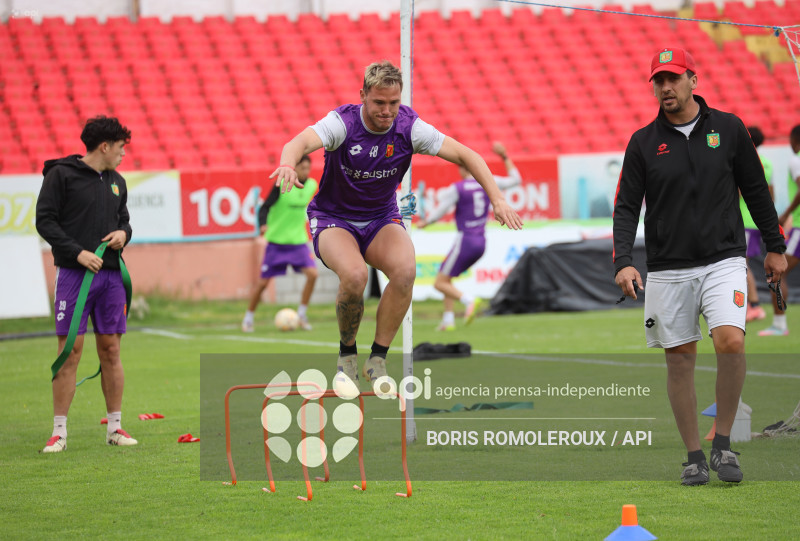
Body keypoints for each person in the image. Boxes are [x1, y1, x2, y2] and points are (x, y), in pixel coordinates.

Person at [269, 60, 523, 386]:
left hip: (380, 217)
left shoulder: (409, 128)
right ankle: (347, 352)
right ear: (363, 95)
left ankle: (377, 357)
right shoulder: (341, 122)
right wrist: (288, 164)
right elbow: (297, 143)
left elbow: (467, 155)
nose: (387, 111)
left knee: (405, 272)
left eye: (394, 102)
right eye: (379, 103)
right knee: (356, 275)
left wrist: (497, 199)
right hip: (334, 218)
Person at [613, 48, 787, 486]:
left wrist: (774, 246)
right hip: (668, 268)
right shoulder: (643, 142)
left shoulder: (728, 130)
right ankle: (694, 456)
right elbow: (626, 207)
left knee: (730, 341)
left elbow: (756, 192)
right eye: (658, 80)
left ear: (694, 79)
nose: (665, 88)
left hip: (724, 259)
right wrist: (623, 261)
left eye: (672, 78)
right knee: (680, 360)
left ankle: (723, 444)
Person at [35, 115, 138, 452]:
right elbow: (45, 222)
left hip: (110, 279)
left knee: (111, 350)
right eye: (121, 148)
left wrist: (125, 233)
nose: (124, 154)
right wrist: (77, 253)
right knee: (70, 353)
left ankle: (116, 428)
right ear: (104, 146)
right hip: (74, 277)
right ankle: (59, 433)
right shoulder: (60, 175)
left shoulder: (117, 181)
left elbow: (124, 221)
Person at [418, 141, 521, 330]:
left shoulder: (458, 188)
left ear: (460, 167)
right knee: (447, 277)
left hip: (465, 240)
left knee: (440, 283)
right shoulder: (490, 181)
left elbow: (441, 209)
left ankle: (469, 301)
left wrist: (427, 222)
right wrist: (505, 157)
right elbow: (516, 180)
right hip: (481, 241)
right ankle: (448, 320)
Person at [242, 155, 318, 332]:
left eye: (308, 168)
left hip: (298, 241)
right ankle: (248, 318)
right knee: (262, 284)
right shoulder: (282, 184)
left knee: (313, 275)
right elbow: (265, 207)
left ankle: (302, 314)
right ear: (294, 168)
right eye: (302, 168)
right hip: (277, 243)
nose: (305, 172)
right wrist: (263, 225)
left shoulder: (312, 185)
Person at [759, 124, 800, 336]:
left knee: (776, 271)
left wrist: (785, 214)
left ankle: (779, 325)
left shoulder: (796, 160)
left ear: (794, 140)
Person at [741, 126, 773, 323]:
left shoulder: (744, 161)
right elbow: (770, 195)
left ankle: (754, 305)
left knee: (741, 264)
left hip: (744, 219)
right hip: (755, 221)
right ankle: (752, 305)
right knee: (742, 264)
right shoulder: (766, 163)